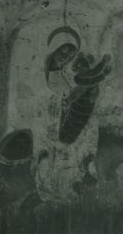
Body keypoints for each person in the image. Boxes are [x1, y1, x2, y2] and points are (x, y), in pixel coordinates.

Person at [33, 25, 114, 205]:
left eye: (71, 54)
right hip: (54, 122)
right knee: (56, 153)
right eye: (63, 50)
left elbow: (81, 87)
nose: (66, 56)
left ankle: (77, 182)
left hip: (73, 119)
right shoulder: (47, 74)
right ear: (54, 48)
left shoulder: (69, 74)